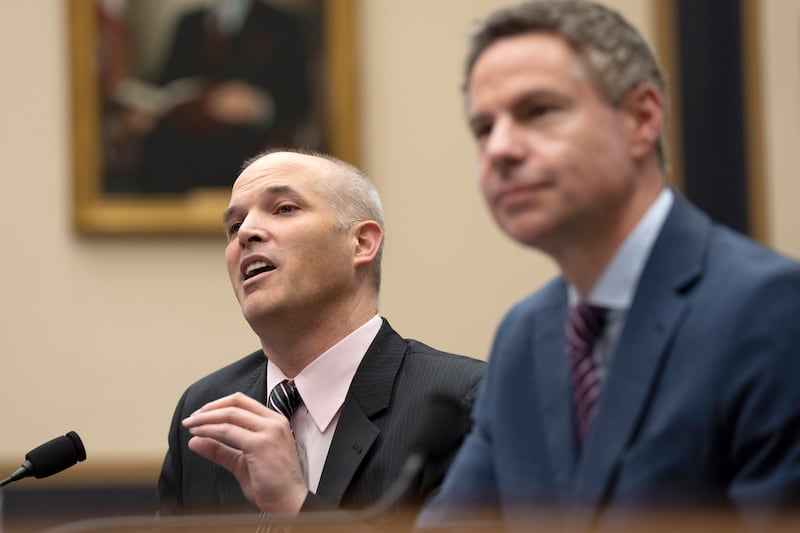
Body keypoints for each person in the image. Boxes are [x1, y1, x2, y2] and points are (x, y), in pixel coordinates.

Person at [417, 0, 800, 530]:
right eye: (484, 127)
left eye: (539, 111)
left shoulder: (768, 308)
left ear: (642, 119)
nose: (500, 148)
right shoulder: (524, 336)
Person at [157, 149, 486, 524]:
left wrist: (297, 505)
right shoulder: (204, 410)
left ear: (361, 243)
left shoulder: (463, 401)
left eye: (283, 208)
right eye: (234, 227)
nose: (246, 232)